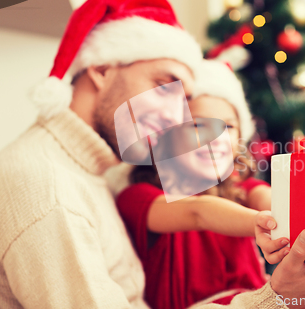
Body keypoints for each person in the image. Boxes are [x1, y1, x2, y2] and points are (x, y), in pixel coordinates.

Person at [0, 0, 305, 308]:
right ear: (101, 70)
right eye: (164, 83)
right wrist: (277, 300)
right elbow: (198, 213)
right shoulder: (47, 187)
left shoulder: (90, 178)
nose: (176, 119)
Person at [116, 60, 277, 309]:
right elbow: (199, 212)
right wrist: (264, 224)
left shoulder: (239, 191)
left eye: (229, 126)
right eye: (197, 125)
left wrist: (292, 215)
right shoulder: (138, 197)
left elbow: (269, 199)